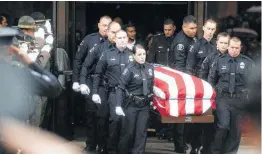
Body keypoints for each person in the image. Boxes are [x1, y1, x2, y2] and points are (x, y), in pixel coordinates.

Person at [0, 27, 70, 154]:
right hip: (10, 141)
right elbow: (54, 87)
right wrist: (29, 61)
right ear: (12, 50)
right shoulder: (17, 74)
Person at [79, 21, 121, 154]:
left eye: (118, 32)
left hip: (117, 90)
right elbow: (85, 65)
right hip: (100, 87)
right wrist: (82, 82)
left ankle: (112, 146)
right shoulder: (99, 48)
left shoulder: (125, 50)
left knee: (115, 119)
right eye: (113, 32)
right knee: (100, 117)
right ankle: (99, 145)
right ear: (107, 32)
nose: (116, 35)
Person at [208, 37, 256, 154]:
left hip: (239, 99)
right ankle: (215, 151)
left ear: (240, 48)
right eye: (232, 47)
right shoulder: (219, 60)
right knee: (223, 126)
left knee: (236, 130)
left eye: (237, 48)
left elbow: (254, 82)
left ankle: (230, 152)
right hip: (223, 99)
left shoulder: (247, 62)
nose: (234, 50)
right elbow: (211, 79)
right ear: (228, 47)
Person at [92, 30, 133, 154]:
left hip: (129, 94)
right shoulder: (107, 54)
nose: (122, 40)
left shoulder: (132, 55)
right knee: (115, 121)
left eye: (124, 37)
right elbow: (98, 74)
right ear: (114, 39)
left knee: (127, 123)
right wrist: (94, 91)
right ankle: (111, 149)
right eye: (119, 38)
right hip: (114, 93)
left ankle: (125, 150)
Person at [185, 19, 217, 154]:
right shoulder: (196, 46)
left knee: (211, 120)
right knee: (196, 121)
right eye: (208, 28)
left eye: (213, 29)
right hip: (199, 87)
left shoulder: (217, 45)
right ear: (203, 28)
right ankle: (194, 146)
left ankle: (207, 148)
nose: (210, 31)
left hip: (213, 87)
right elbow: (189, 68)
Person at [116, 44, 154, 154]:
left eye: (144, 54)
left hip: (144, 105)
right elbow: (120, 87)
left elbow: (152, 85)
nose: (142, 57)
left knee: (141, 132)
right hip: (131, 104)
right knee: (129, 132)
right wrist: (118, 105)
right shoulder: (129, 69)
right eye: (139, 54)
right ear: (134, 55)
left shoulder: (150, 68)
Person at [168, 15, 198, 154]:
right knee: (181, 118)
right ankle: (179, 146)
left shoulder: (193, 39)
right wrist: (186, 84)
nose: (194, 30)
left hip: (191, 82)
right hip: (182, 83)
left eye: (196, 28)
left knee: (189, 117)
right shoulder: (180, 42)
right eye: (191, 28)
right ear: (184, 27)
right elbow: (179, 66)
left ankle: (187, 143)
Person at [72, 15, 112, 92]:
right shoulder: (89, 39)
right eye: (104, 25)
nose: (106, 28)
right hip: (90, 80)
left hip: (108, 82)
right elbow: (78, 60)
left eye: (109, 26)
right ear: (99, 25)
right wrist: (75, 80)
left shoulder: (114, 41)